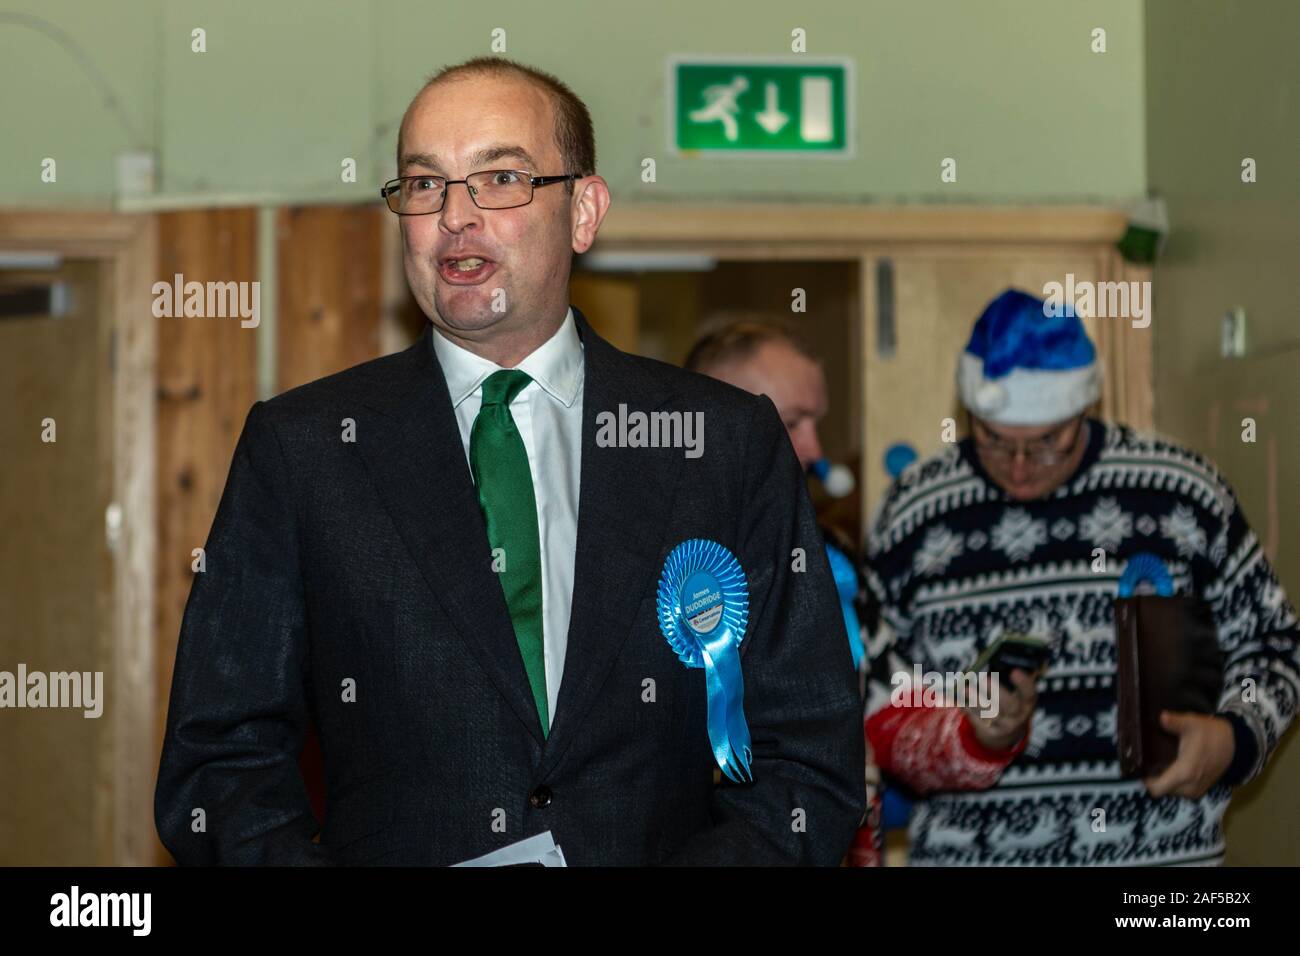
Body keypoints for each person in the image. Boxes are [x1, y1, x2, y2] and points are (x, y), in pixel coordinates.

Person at [154, 56, 864, 866]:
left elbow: (808, 756)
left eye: (499, 178)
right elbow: (217, 767)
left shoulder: (722, 442)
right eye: (424, 186)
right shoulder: (306, 448)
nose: (455, 216)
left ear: (584, 212)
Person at [863, 288, 1300, 865]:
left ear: (1085, 409)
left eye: (1047, 444)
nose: (1019, 470)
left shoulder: (1183, 491)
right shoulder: (912, 512)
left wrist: (1234, 738)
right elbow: (876, 697)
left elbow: (1275, 646)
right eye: (993, 440)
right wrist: (970, 736)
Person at [686, 320, 884, 866]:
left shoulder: (836, 555)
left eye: (817, 422)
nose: (817, 450)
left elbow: (895, 699)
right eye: (793, 423)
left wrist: (982, 735)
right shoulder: (655, 561)